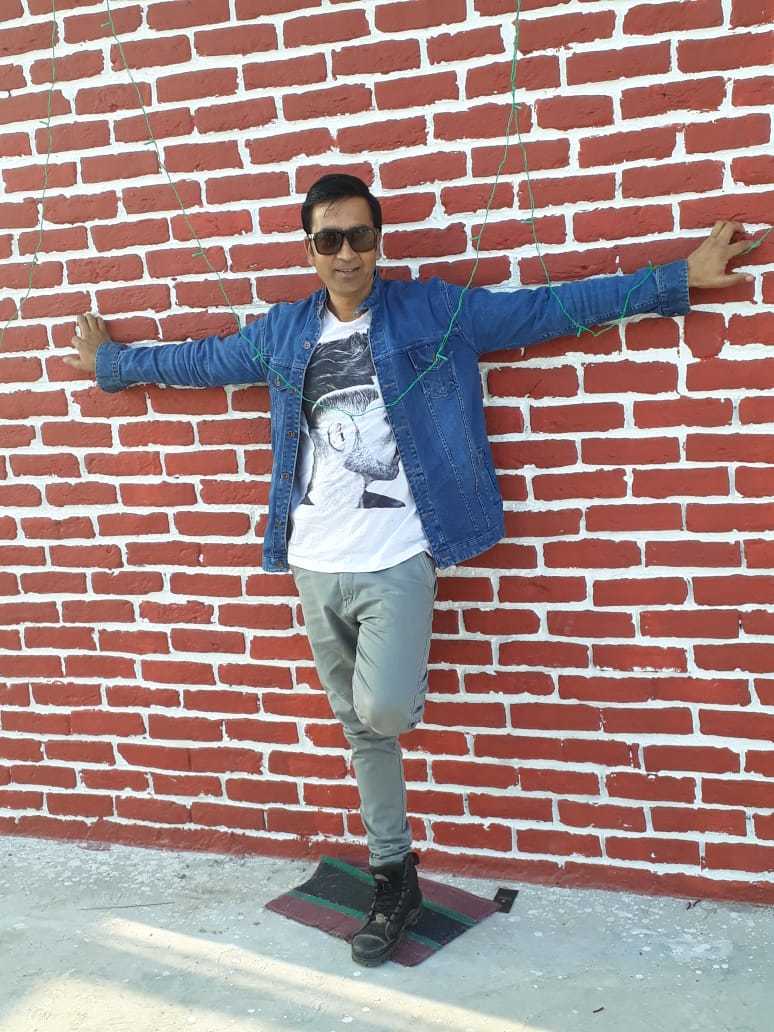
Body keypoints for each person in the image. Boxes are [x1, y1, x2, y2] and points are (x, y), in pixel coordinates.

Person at [65, 174, 756, 966]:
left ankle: (393, 820)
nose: (346, 254)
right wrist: (111, 362)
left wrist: (675, 279)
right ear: (311, 249)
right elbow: (202, 360)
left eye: (360, 236)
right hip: (311, 562)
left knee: (383, 711)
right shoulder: (284, 333)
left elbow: (545, 309)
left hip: (396, 556)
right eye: (330, 239)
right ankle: (395, 877)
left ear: (378, 242)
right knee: (362, 735)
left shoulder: (431, 311)